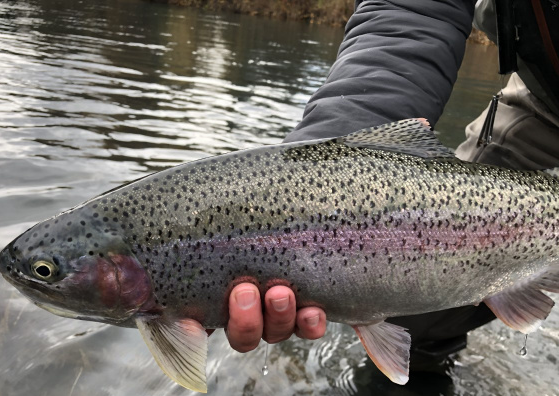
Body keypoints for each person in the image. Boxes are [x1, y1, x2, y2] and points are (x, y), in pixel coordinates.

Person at [218, 0, 559, 369]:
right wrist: (327, 172)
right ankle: (419, 393)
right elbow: (413, 9)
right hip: (550, 97)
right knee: (406, 296)